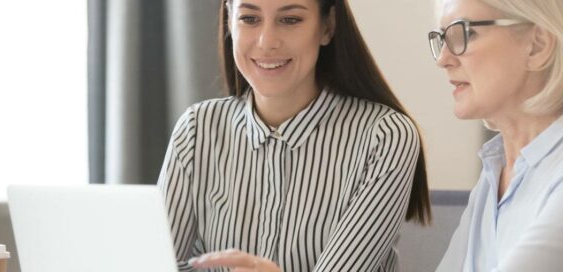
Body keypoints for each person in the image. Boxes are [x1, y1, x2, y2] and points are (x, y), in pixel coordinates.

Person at [157, 0, 431, 271]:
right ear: (229, 22)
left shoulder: (384, 137)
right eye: (249, 19)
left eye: (290, 20)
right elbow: (151, 262)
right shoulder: (197, 129)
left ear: (328, 27)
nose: (266, 42)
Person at [428, 0, 563, 271]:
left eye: (463, 34)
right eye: (443, 38)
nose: (442, 59)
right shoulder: (495, 175)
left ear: (538, 45)